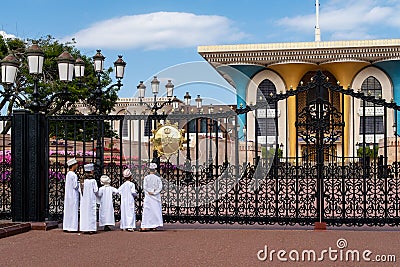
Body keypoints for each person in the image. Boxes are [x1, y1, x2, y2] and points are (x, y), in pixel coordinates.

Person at [140, 163, 163, 231]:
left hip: (148, 196)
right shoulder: (158, 178)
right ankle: (154, 226)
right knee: (155, 211)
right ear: (155, 170)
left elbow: (144, 187)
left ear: (149, 170)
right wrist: (154, 192)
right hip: (155, 197)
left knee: (147, 211)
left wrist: (149, 192)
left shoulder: (146, 178)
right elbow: (160, 187)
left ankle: (144, 225)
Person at [79, 163, 98, 234]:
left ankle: (84, 227)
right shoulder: (93, 181)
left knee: (84, 213)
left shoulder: (82, 181)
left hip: (84, 201)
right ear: (91, 171)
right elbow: (96, 190)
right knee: (91, 213)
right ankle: (91, 228)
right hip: (91, 200)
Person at [63, 158, 80, 232]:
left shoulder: (68, 174)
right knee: (73, 210)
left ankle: (67, 226)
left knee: (68, 211)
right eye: (76, 164)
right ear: (73, 166)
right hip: (73, 195)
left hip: (68, 195)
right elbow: (75, 186)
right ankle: (72, 227)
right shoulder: (73, 175)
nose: (77, 166)